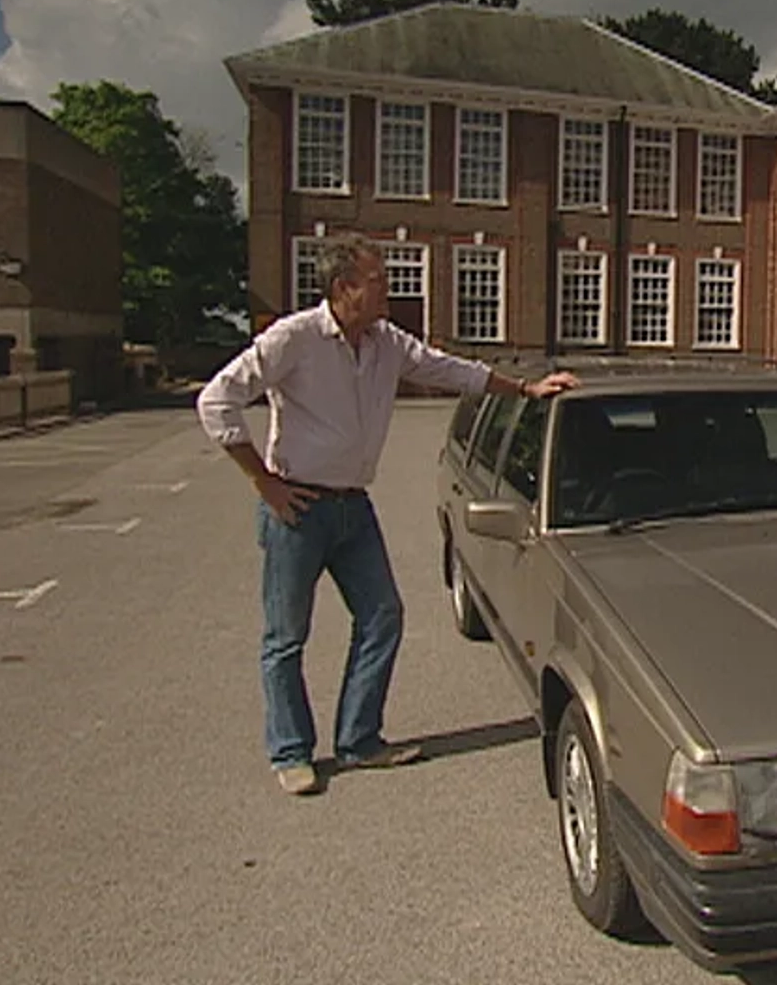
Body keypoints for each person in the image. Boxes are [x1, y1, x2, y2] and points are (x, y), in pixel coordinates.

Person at [196, 232, 578, 796]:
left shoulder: (385, 342)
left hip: (354, 506)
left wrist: (524, 388)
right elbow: (216, 401)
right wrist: (265, 483)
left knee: (382, 617)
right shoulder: (294, 339)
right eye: (379, 281)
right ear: (344, 285)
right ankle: (292, 751)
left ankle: (358, 740)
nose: (389, 292)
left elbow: (446, 369)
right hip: (297, 509)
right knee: (286, 636)